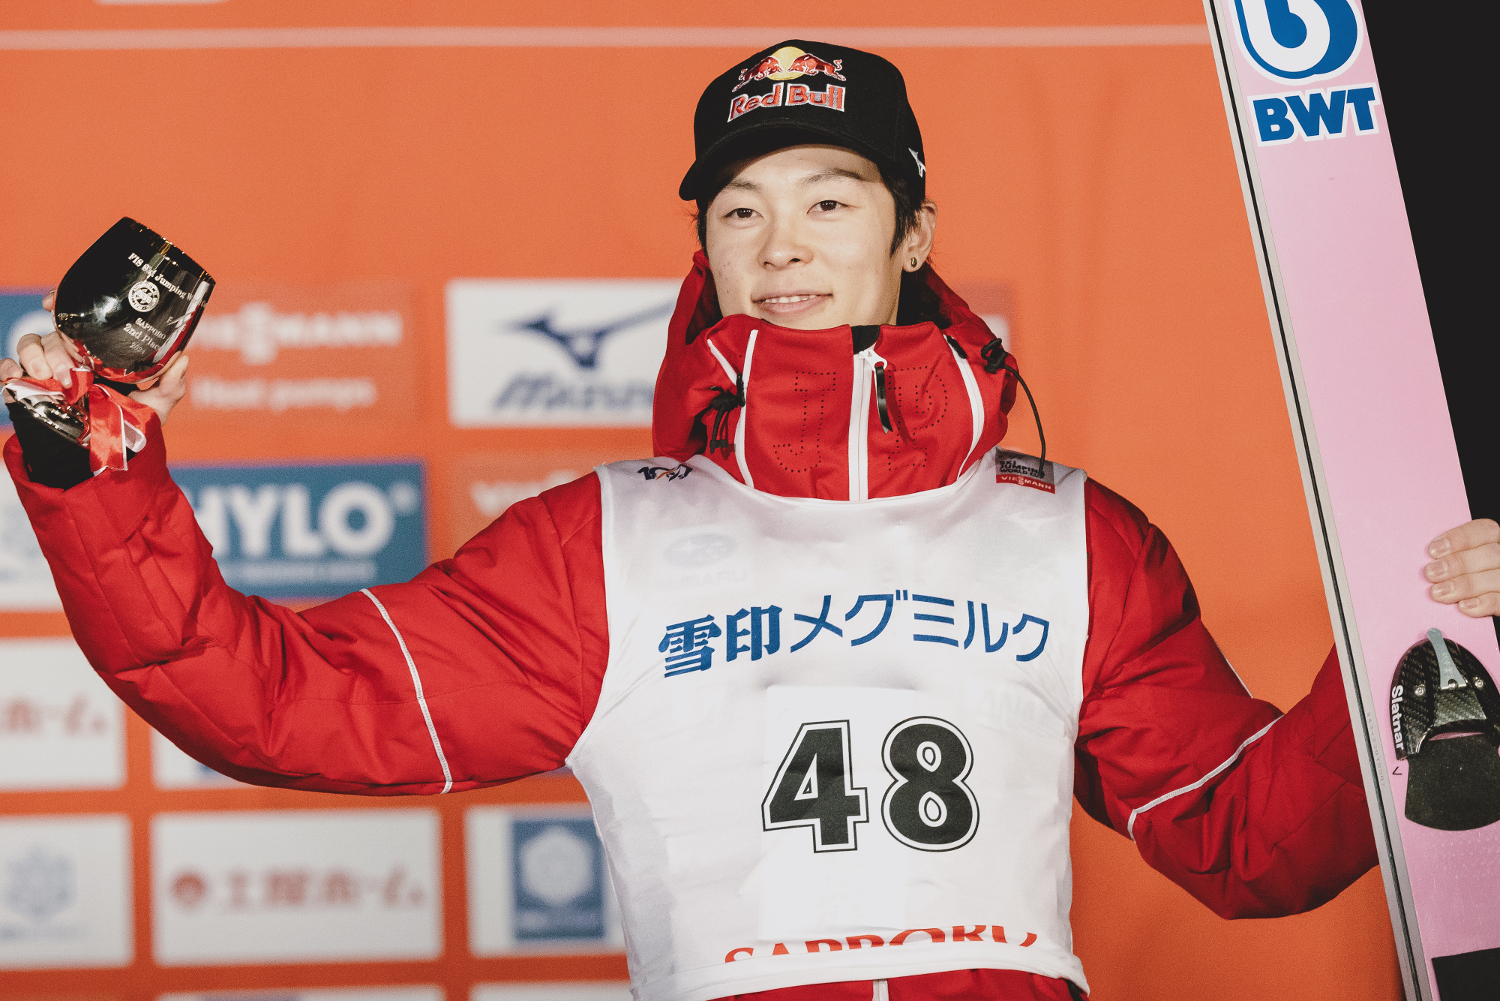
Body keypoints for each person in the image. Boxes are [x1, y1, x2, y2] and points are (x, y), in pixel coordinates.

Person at [4, 40, 1498, 1001]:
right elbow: (264, 697)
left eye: (830, 201)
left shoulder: (1075, 537)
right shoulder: (598, 547)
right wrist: (95, 456)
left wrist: (1429, 652)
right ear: (705, 251)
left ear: (912, 231)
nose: (782, 246)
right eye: (740, 211)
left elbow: (1248, 838)